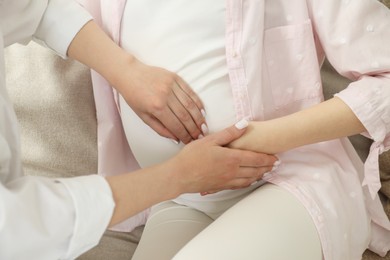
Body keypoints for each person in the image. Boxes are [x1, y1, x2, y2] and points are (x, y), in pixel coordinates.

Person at [83, 0, 390, 259]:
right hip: (182, 196)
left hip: (290, 181)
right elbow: (48, 16)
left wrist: (258, 140)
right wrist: (125, 73)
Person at [0, 1, 278, 259]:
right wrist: (179, 176)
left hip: (275, 184)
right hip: (182, 198)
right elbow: (22, 226)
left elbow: (31, 8)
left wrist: (125, 69)